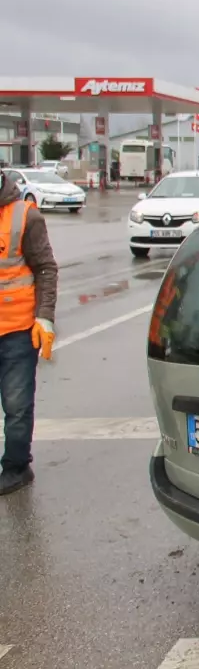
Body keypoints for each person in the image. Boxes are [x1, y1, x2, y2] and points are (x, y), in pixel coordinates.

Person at [0, 170, 58, 495]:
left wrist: (44, 317)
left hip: (17, 331)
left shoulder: (25, 216)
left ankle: (17, 467)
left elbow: (46, 268)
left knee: (16, 404)